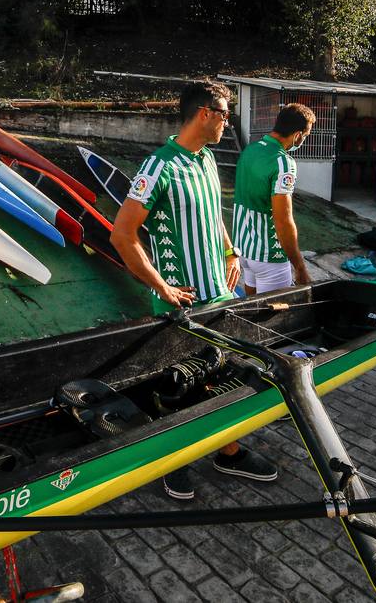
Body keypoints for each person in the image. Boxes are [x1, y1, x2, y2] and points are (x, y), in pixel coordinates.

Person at [111, 80, 278, 500]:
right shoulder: (158, 167)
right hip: (181, 304)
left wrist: (230, 251)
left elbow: (211, 211)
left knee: (225, 378)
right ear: (204, 113)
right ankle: (172, 460)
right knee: (178, 387)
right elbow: (122, 235)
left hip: (218, 295)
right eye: (224, 113)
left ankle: (228, 450)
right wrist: (162, 286)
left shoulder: (206, 160)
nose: (228, 121)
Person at [233, 103, 315, 294]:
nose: (304, 140)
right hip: (269, 255)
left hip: (244, 248)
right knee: (275, 316)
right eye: (306, 136)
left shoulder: (250, 150)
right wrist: (300, 267)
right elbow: (283, 220)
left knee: (251, 310)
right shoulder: (283, 163)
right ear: (297, 135)